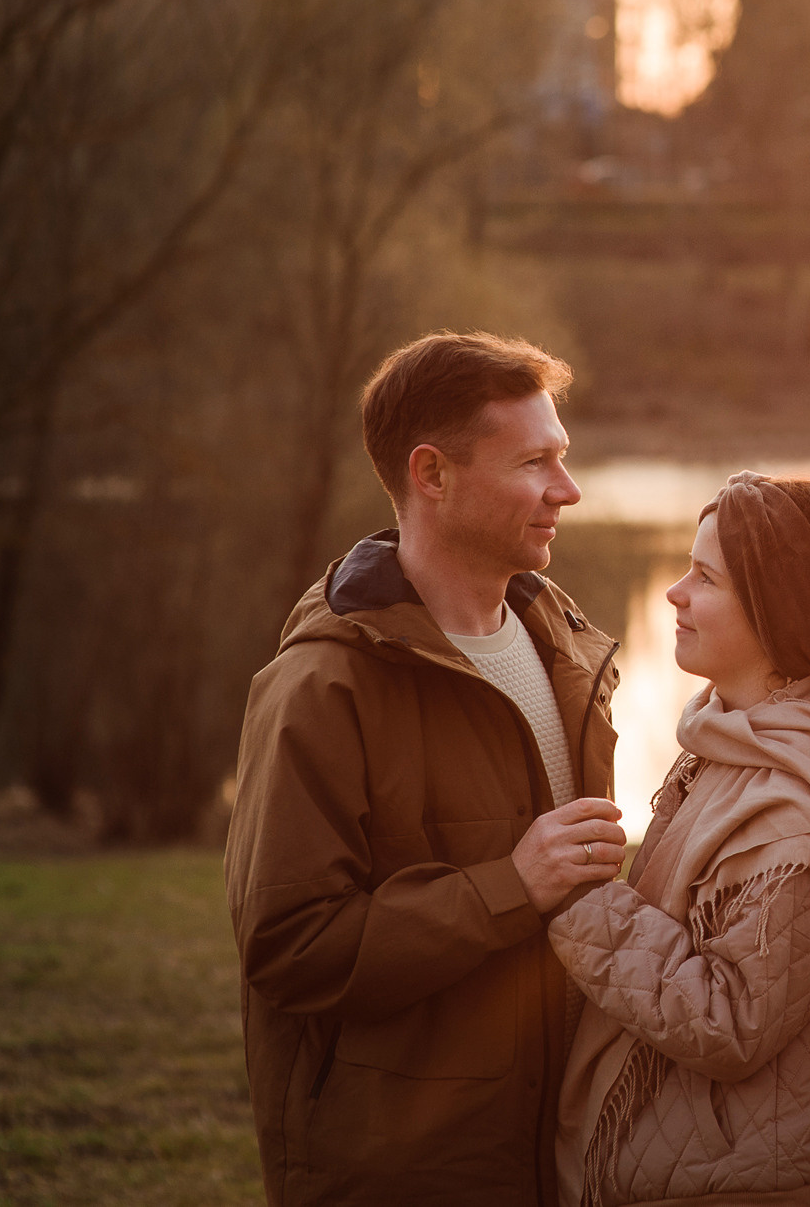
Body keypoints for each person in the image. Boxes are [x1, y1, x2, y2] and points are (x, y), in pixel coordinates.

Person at [225, 331, 628, 1207]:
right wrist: (512, 883)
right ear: (432, 474)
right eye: (534, 462)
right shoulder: (320, 686)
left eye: (562, 457)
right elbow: (290, 946)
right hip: (406, 1173)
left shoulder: (567, 649)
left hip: (562, 1156)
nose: (568, 489)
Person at [548, 473, 810, 1207]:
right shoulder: (729, 746)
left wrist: (580, 903)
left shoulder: (803, 812)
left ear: (781, 614)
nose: (675, 593)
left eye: (704, 577)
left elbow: (731, 1019)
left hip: (755, 1189)